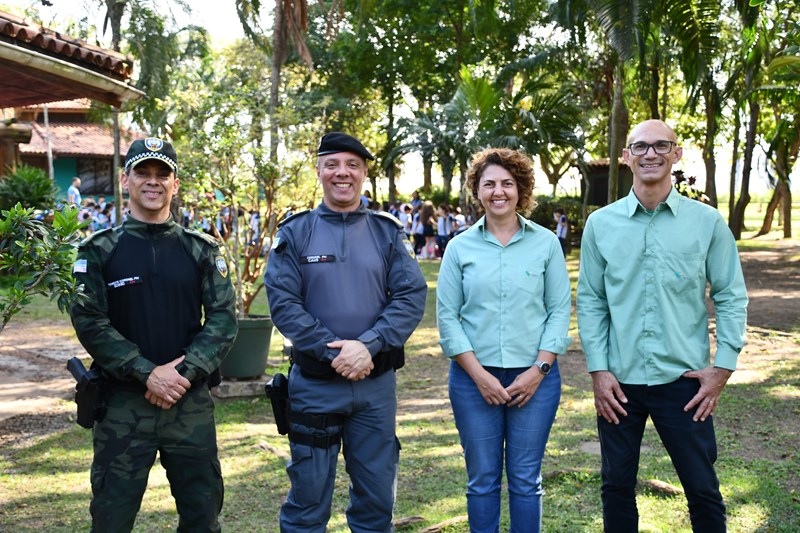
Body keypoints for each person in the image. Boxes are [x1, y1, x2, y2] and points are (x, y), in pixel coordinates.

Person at [577, 120, 748, 533]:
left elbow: (730, 295)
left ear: (677, 153)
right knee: (616, 486)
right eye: (640, 146)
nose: (650, 154)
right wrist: (598, 370)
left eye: (660, 145)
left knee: (702, 488)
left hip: (685, 382)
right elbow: (592, 300)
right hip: (618, 382)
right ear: (626, 157)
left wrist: (722, 367)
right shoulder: (601, 224)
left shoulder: (707, 222)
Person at [69, 137, 238, 532]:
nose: (153, 180)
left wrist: (182, 373)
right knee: (111, 519)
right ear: (124, 180)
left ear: (174, 184)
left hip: (188, 404)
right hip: (122, 407)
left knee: (202, 518)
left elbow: (223, 319)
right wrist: (147, 372)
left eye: (163, 174)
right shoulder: (98, 251)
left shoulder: (201, 250)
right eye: (142, 172)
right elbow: (89, 321)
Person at [265, 131, 427, 532]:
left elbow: (410, 295)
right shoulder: (296, 232)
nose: (343, 172)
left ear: (364, 173)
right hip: (314, 386)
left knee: (377, 500)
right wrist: (334, 352)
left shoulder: (387, 232)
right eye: (332, 164)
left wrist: (368, 346)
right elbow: (284, 304)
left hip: (375, 389)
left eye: (353, 165)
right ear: (319, 170)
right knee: (308, 500)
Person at [437, 148, 572, 533]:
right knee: (482, 479)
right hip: (472, 380)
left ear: (521, 189)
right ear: (477, 191)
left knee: (526, 479)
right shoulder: (459, 247)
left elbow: (559, 310)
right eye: (489, 184)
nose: (499, 192)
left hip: (536, 379)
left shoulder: (546, 243)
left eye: (507, 183)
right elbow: (447, 318)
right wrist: (479, 376)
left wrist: (538, 370)